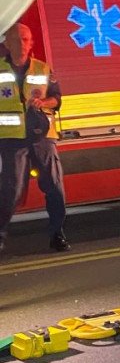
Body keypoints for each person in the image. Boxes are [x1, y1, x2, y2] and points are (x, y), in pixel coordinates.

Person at [0, 23, 68, 255]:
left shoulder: (43, 69)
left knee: (54, 187)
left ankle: (57, 234)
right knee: (11, 190)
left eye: (25, 39)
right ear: (6, 44)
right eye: (16, 39)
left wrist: (43, 102)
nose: (21, 44)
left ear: (31, 43)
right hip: (11, 139)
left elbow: (57, 99)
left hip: (42, 137)